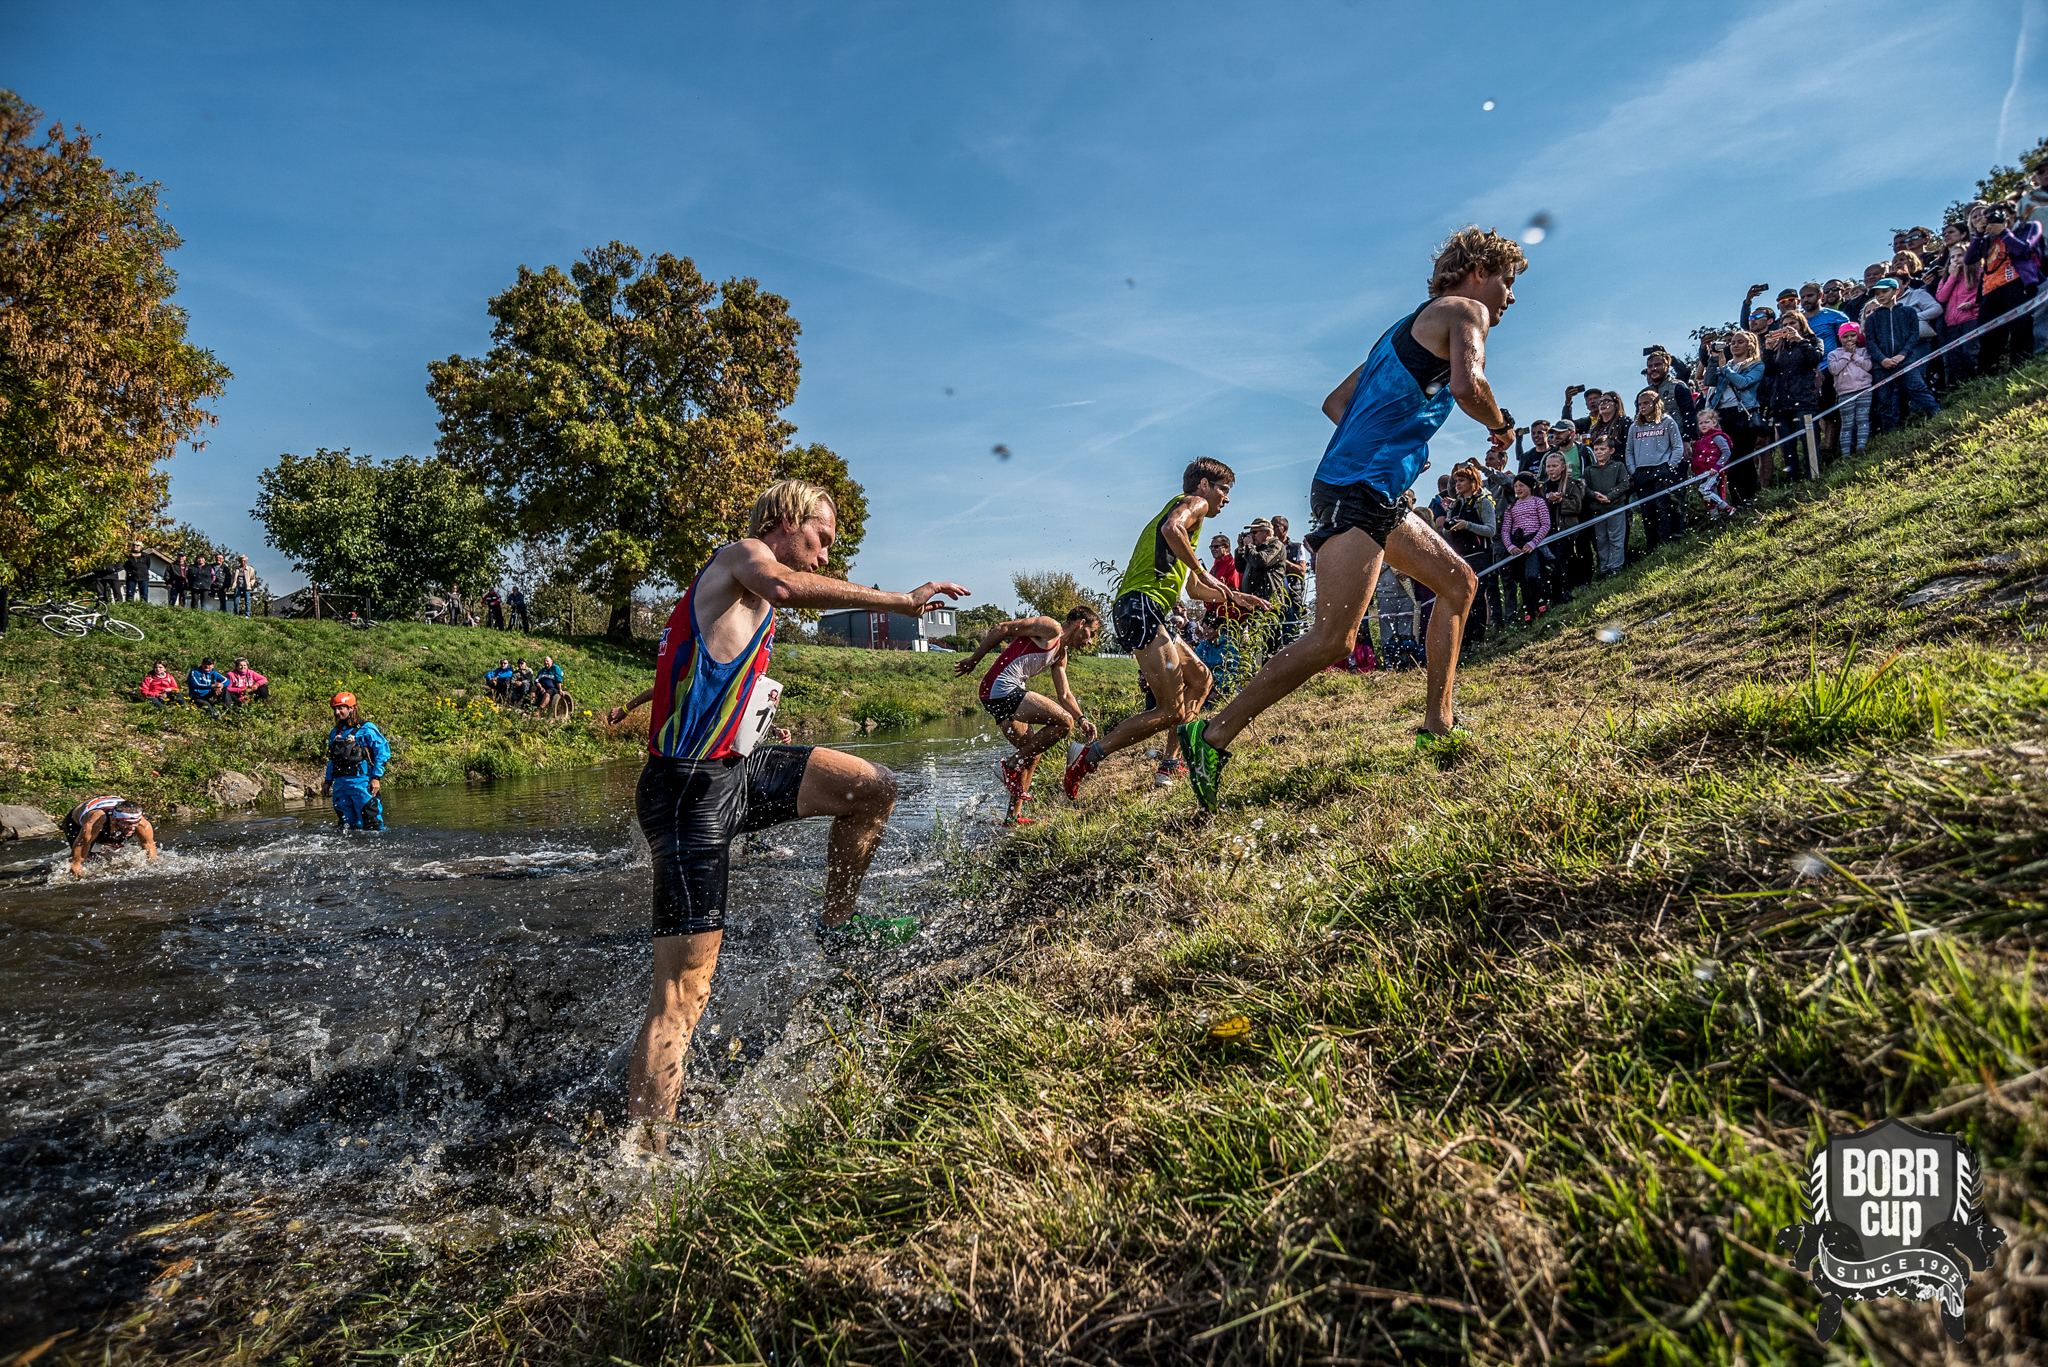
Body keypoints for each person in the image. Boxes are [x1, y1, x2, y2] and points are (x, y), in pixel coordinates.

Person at [602, 479, 967, 1157]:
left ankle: (837, 923)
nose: (825, 555)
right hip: (686, 791)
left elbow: (706, 669)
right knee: (684, 993)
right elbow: (788, 585)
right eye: (821, 538)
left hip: (735, 769)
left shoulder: (750, 598)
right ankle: (645, 1154)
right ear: (785, 518)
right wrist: (901, 600)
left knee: (872, 788)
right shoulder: (741, 556)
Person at [1178, 225, 1524, 804]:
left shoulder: (1401, 332)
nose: (1510, 297)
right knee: (1333, 640)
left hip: (1372, 490)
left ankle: (1439, 726)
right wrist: (1500, 425)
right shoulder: (1466, 310)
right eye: (1508, 282)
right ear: (1478, 271)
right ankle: (1210, 734)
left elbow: (1336, 403)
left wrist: (1388, 444)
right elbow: (1470, 386)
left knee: (1458, 584)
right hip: (1355, 491)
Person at [1063, 458, 1266, 799]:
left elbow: (1194, 590)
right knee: (1170, 709)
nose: (1227, 498)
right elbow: (1173, 529)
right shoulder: (1195, 504)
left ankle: (1170, 765)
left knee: (1201, 679)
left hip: (1147, 609)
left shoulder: (1189, 528)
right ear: (1204, 485)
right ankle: (1088, 755)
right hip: (1140, 606)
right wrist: (1203, 572)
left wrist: (1234, 595)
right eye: (1224, 489)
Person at [955, 605, 1101, 825]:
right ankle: (1010, 765)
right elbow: (1002, 628)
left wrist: (1083, 719)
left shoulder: (1061, 654)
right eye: (1092, 633)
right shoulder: (1051, 628)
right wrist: (974, 659)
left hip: (998, 694)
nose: (1090, 642)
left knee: (1033, 751)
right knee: (1064, 722)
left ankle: (1013, 817)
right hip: (1000, 688)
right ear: (1081, 624)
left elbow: (1064, 695)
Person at [1967, 203, 2043, 374]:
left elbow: (2022, 249)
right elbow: (1969, 259)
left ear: (2012, 214)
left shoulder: (2028, 227)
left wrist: (2003, 232)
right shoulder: (1988, 239)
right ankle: (1986, 374)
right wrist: (1979, 234)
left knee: (2020, 327)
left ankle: (2021, 369)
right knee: (1988, 334)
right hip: (1990, 290)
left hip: (2017, 283)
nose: (1985, 219)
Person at [1860, 278, 1942, 432]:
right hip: (1881, 366)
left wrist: (1902, 355)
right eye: (1877, 293)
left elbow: (1913, 336)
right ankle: (1890, 432)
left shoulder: (1908, 312)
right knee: (1884, 400)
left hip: (1905, 361)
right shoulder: (1872, 319)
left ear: (1896, 291)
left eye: (1884, 291)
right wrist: (1882, 359)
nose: (1880, 296)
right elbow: (1870, 342)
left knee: (1919, 389)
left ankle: (1938, 417)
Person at [1438, 463, 1496, 650]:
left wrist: (1468, 525)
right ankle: (1464, 641)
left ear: (1473, 482)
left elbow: (1491, 530)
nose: (1457, 484)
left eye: (1461, 480)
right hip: (1460, 558)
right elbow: (1447, 534)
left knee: (1477, 597)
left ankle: (1478, 639)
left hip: (1479, 555)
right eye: (1456, 481)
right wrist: (1449, 527)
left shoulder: (1483, 502)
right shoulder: (1455, 505)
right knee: (1462, 600)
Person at [1760, 309, 1822, 483]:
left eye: (1792, 323)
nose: (1788, 327)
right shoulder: (1778, 347)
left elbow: (1816, 357)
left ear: (1801, 324)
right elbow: (1769, 371)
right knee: (1788, 445)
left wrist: (1800, 340)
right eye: (1785, 324)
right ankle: (1792, 481)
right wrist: (1768, 351)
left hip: (1804, 399)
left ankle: (1814, 477)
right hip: (1780, 401)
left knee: (1808, 441)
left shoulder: (1813, 341)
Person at [1626, 387, 1686, 554]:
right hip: (1641, 471)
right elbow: (1629, 451)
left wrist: (1670, 466)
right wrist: (1633, 470)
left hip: (1662, 468)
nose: (1642, 407)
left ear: (1655, 404)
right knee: (1647, 510)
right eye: (1640, 404)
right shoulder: (1635, 427)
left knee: (1663, 507)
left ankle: (1665, 542)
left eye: (1646, 403)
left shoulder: (1667, 422)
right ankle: (1651, 546)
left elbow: (1677, 446)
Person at [322, 692, 391, 831]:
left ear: (352, 708)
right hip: (340, 786)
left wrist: (376, 778)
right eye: (334, 709)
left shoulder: (367, 729)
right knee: (347, 827)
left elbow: (382, 753)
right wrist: (327, 782)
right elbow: (332, 760)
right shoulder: (335, 732)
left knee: (372, 825)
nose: (337, 712)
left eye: (341, 708)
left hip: (362, 784)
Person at [63, 797, 159, 878]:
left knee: (111, 852)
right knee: (88, 856)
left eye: (135, 823)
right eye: (127, 824)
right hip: (76, 822)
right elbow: (75, 864)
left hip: (112, 808)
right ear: (113, 820)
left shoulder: (143, 825)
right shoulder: (94, 823)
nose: (132, 827)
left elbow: (150, 850)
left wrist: (153, 871)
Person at [1539, 450, 1584, 603]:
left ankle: (1568, 590)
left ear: (1563, 467)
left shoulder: (1571, 485)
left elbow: (1577, 506)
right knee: (1552, 562)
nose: (1551, 469)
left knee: (1564, 559)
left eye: (1554, 466)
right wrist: (1548, 501)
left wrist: (1561, 501)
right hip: (1548, 530)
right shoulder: (1542, 488)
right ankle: (1556, 594)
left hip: (1565, 529)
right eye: (1548, 466)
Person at [1826, 321, 1876, 456]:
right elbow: (1834, 369)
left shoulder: (1864, 351)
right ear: (1840, 338)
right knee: (1847, 423)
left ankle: (1861, 447)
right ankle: (1846, 454)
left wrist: (1855, 356)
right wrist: (1847, 354)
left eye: (1852, 335)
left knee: (1862, 419)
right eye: (1845, 336)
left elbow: (1868, 366)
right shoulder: (1833, 354)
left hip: (1864, 389)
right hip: (1845, 392)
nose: (1849, 339)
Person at [1582, 434, 1630, 576]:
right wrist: (1594, 495)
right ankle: (1605, 569)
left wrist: (1609, 496)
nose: (1599, 452)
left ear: (1611, 450)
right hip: (1597, 511)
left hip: (1615, 509)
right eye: (1596, 449)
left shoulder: (1618, 466)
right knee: (1602, 540)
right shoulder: (1589, 470)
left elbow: (1624, 484)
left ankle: (1616, 568)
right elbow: (1584, 487)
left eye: (1602, 449)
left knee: (1616, 539)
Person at [1690, 410, 1735, 519]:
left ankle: (1726, 508)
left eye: (1706, 422)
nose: (1703, 425)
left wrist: (1717, 467)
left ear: (1714, 422)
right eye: (1701, 423)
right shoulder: (1701, 439)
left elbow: (1726, 452)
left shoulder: (1717, 437)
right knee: (1711, 495)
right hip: (1704, 472)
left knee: (1704, 491)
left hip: (1713, 472)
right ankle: (1716, 518)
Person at [1272, 515, 1308, 646]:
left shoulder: (1297, 548)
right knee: (1273, 638)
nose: (1272, 529)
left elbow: (1301, 571)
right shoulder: (1268, 548)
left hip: (1292, 598)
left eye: (1275, 526)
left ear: (1285, 528)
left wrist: (1282, 559)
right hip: (1274, 599)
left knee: (1292, 638)